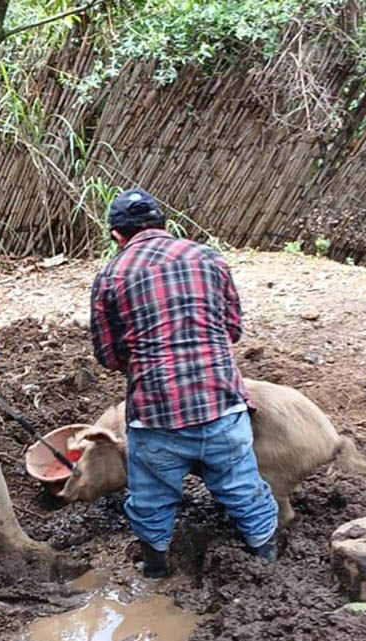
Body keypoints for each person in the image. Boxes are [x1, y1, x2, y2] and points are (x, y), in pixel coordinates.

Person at [88, 188, 281, 578]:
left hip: (156, 417)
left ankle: (155, 569)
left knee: (151, 500)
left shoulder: (110, 276)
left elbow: (108, 356)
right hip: (222, 406)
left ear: (116, 236)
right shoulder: (209, 258)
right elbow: (232, 329)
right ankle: (267, 564)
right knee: (244, 488)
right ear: (164, 225)